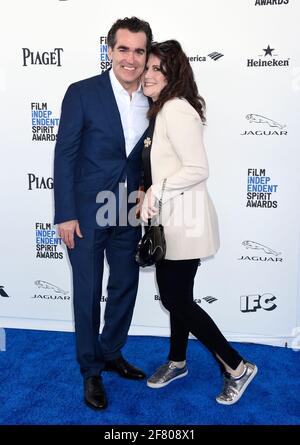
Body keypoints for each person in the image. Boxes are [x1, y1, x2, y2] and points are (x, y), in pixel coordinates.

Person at [140, 40, 257, 405]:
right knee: (179, 298)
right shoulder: (162, 110)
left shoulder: (175, 109)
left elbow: (198, 169)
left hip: (183, 222)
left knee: (176, 298)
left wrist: (156, 190)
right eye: (148, 67)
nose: (148, 74)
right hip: (171, 219)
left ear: (173, 74)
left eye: (158, 68)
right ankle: (177, 361)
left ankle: (237, 367)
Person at [53, 17, 153, 410]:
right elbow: (65, 155)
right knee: (88, 292)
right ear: (109, 51)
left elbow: (146, 155)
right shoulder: (82, 93)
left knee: (125, 284)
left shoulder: (151, 98)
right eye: (124, 49)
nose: (131, 58)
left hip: (127, 208)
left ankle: (111, 352)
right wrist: (65, 214)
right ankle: (90, 370)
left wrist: (145, 186)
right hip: (86, 211)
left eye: (139, 50)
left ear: (146, 56)